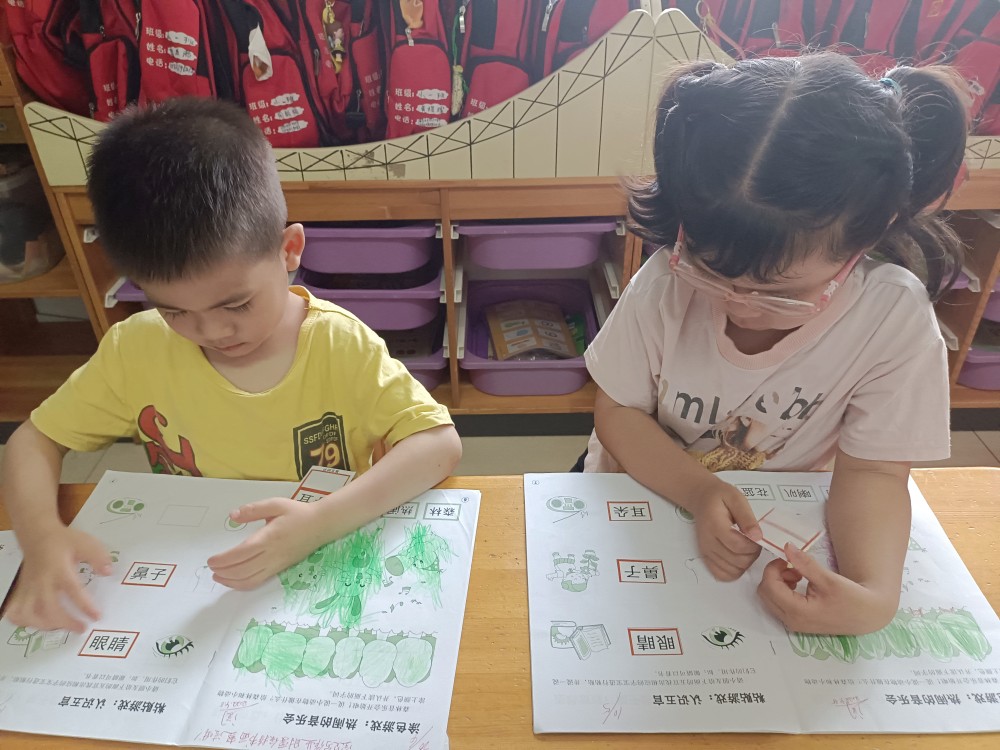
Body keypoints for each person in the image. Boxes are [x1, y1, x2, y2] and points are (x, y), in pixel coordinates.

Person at [1, 98, 462, 633]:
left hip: (318, 560)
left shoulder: (339, 345)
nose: (213, 333)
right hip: (195, 570)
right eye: (174, 310)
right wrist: (41, 537)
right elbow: (31, 441)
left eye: (236, 304)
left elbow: (438, 445)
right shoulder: (137, 349)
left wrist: (319, 522)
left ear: (289, 250)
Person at [583, 53, 968, 635]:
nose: (739, 304)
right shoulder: (665, 282)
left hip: (783, 515)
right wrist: (698, 489)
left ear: (864, 242)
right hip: (646, 486)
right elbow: (618, 411)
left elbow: (875, 473)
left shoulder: (891, 316)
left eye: (781, 292)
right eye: (712, 272)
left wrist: (873, 594)